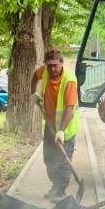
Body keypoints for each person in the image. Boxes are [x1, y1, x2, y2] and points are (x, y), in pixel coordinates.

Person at [30, 48, 80, 198]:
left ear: (61, 63)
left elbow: (69, 108)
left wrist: (61, 131)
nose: (52, 69)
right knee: (49, 158)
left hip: (66, 128)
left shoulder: (69, 80)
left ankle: (60, 191)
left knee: (63, 161)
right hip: (50, 125)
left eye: (55, 65)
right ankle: (56, 186)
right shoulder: (44, 71)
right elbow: (35, 76)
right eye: (49, 65)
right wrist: (34, 93)